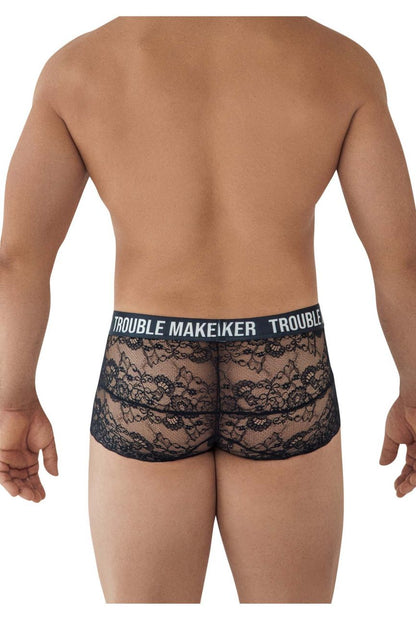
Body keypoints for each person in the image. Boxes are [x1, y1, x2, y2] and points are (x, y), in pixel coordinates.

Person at [0, 16, 415, 605]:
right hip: (285, 364)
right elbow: (401, 260)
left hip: (147, 366)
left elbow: (18, 261)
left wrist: (12, 401)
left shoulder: (78, 67)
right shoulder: (342, 62)